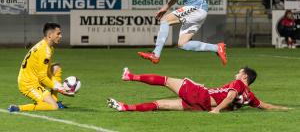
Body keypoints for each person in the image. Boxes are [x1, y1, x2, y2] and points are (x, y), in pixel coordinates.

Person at [137, 0, 246, 65]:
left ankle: (155, 54)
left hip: (197, 8)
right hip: (197, 11)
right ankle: (217, 48)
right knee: (182, 44)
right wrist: (166, 7)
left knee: (165, 21)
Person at [108, 67, 290, 113]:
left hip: (199, 95)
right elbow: (264, 105)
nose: (236, 74)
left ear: (245, 77)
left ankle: (130, 77)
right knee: (160, 104)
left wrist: (217, 110)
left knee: (165, 80)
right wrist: (285, 109)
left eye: (239, 72)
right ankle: (125, 107)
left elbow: (230, 96)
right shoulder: (249, 96)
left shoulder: (239, 85)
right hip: (201, 106)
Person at [8, 23, 73, 112]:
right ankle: (18, 108)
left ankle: (56, 100)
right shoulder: (44, 51)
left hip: (35, 78)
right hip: (28, 84)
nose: (61, 36)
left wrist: (59, 86)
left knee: (56, 68)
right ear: (50, 35)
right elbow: (42, 77)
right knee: (53, 107)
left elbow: (48, 73)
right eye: (58, 34)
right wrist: (59, 88)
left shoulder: (48, 47)